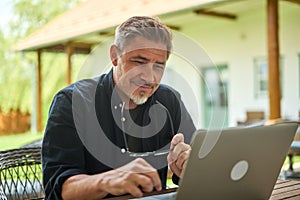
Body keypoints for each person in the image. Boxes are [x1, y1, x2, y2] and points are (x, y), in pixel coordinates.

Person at [42, 16, 196, 199]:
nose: (149, 77)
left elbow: (198, 169)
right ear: (115, 56)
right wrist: (108, 181)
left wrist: (187, 167)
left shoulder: (170, 100)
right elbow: (58, 189)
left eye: (158, 65)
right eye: (139, 62)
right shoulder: (71, 102)